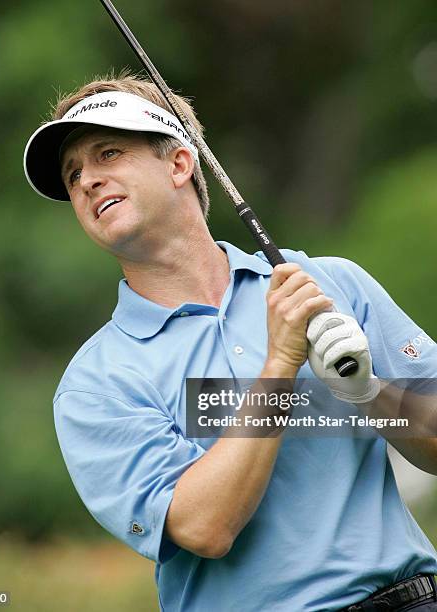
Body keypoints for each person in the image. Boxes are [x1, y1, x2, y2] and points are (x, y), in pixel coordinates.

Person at [23, 72, 437, 611]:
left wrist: (367, 391)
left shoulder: (327, 283)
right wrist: (281, 365)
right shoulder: (96, 383)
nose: (86, 181)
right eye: (73, 173)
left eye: (108, 154)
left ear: (179, 163)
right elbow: (205, 526)